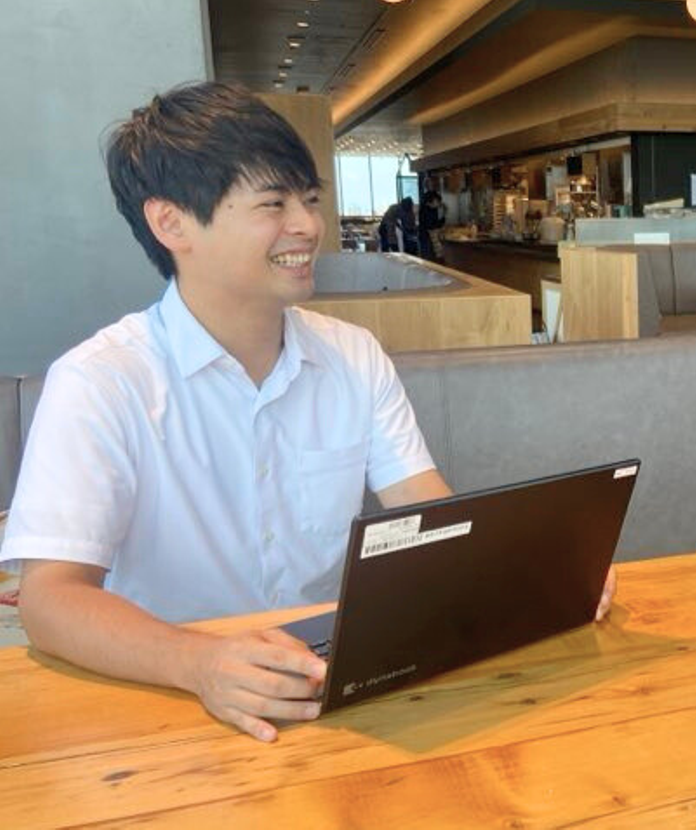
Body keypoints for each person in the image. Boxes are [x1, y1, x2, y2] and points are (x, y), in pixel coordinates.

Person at [0, 82, 615, 743]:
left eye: (310, 199)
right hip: (170, 702)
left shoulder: (353, 355)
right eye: (273, 203)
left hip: (335, 687)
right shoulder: (101, 382)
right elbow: (50, 600)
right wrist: (198, 662)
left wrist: (529, 575)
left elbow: (427, 512)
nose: (308, 226)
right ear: (171, 222)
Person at [418, 189, 446, 260]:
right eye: (437, 201)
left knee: (436, 256)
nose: (439, 203)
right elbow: (431, 225)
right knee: (428, 258)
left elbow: (438, 222)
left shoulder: (434, 209)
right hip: (426, 237)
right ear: (429, 202)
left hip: (432, 236)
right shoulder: (424, 210)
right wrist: (440, 224)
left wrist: (442, 217)